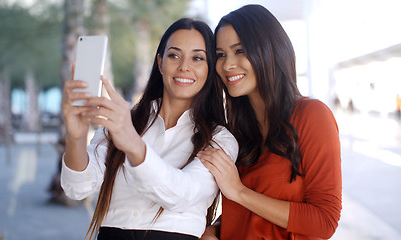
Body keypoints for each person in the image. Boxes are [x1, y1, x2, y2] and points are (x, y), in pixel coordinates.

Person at [60, 18, 238, 240]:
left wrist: (134, 145)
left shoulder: (220, 138)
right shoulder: (125, 121)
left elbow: (182, 194)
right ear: (160, 62)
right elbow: (77, 188)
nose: (184, 66)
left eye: (197, 58)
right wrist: (75, 138)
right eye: (174, 55)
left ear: (210, 69)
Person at [198, 5, 342, 240]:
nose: (227, 65)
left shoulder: (312, 115)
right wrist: (214, 229)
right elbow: (248, 212)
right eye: (221, 54)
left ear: (269, 50)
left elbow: (325, 220)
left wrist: (239, 192)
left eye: (240, 50)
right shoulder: (236, 130)